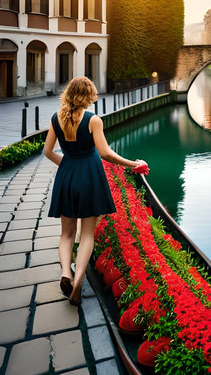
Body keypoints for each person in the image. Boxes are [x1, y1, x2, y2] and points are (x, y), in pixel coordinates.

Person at [44, 77, 147, 306]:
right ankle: (79, 279)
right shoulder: (93, 120)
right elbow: (106, 153)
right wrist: (133, 163)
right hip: (89, 178)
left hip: (66, 177)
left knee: (66, 234)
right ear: (87, 95)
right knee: (87, 234)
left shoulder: (56, 119)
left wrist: (68, 166)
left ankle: (65, 273)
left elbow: (47, 152)